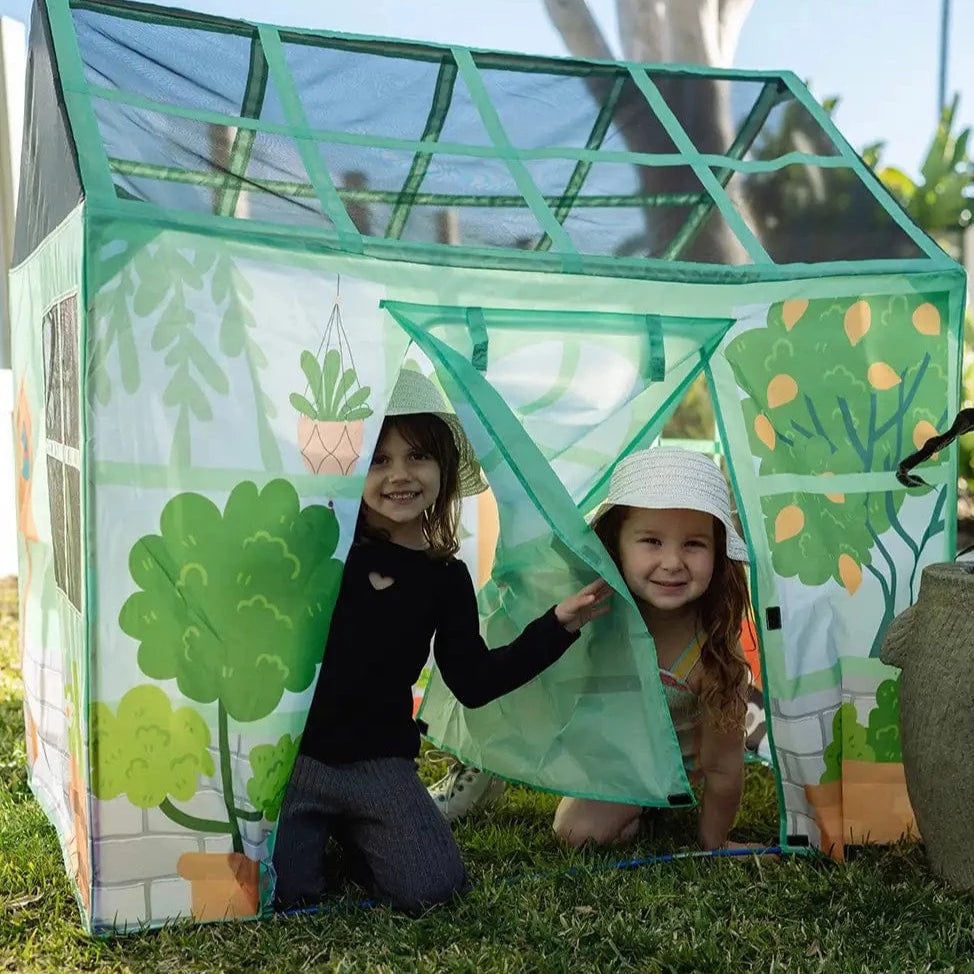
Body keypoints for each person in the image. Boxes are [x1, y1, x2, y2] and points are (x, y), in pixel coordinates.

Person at [272, 369, 611, 914]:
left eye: (418, 457)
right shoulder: (326, 547)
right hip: (298, 761)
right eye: (378, 459)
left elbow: (475, 682)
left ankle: (364, 831)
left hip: (380, 763)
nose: (399, 475)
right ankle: (334, 833)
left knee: (433, 889)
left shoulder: (444, 577)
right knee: (283, 894)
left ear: (444, 469)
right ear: (353, 468)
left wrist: (558, 625)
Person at [431, 447, 752, 853]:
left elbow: (723, 769)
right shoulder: (598, 608)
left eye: (694, 544)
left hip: (650, 772)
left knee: (576, 833)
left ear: (718, 552)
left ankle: (649, 808)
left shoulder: (712, 655)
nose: (672, 562)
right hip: (602, 748)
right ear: (615, 544)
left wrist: (714, 842)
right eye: (651, 540)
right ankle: (488, 767)